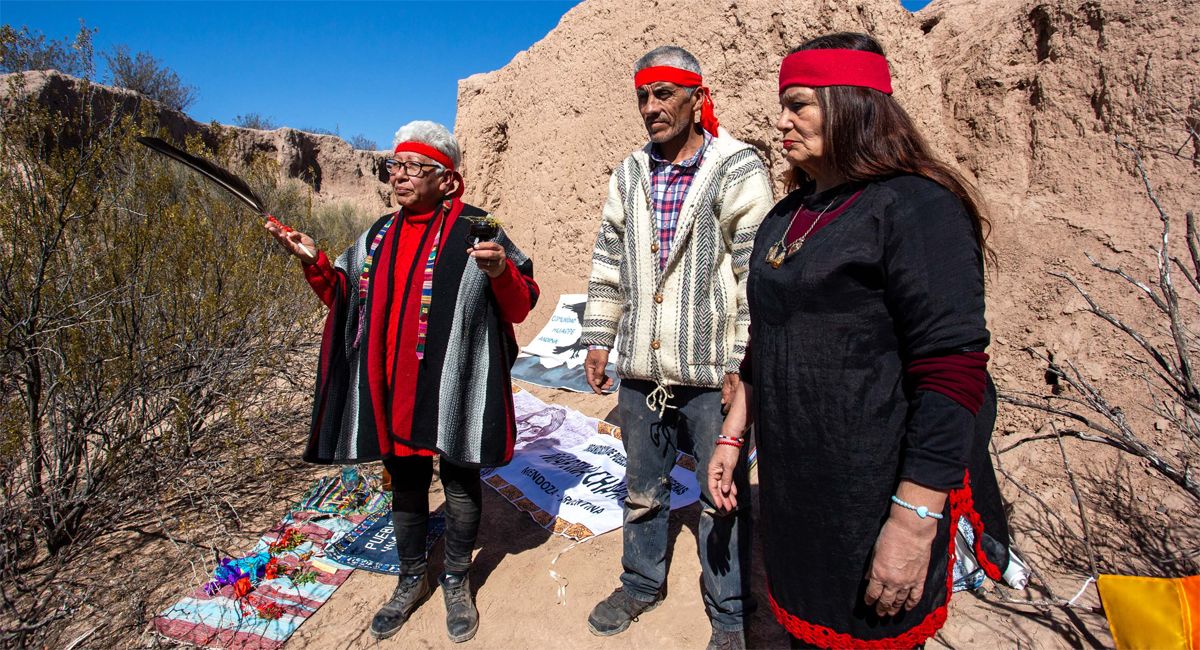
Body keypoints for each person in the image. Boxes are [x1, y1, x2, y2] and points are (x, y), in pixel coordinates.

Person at [708, 32, 1014, 648]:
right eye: (782, 105)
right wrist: (731, 437)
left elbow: (952, 370)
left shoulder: (915, 207)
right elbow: (763, 345)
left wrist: (914, 521)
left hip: (876, 496)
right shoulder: (785, 216)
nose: (783, 121)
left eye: (800, 104)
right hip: (800, 490)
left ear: (851, 103)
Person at [264, 120, 538, 644]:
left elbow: (521, 305)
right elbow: (346, 297)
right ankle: (412, 577)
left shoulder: (480, 227)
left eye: (414, 167)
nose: (400, 177)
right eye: (396, 166)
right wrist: (315, 260)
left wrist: (501, 270)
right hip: (394, 386)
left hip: (459, 384)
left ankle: (457, 580)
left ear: (448, 180)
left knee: (459, 479)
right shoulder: (378, 233)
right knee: (407, 481)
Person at [581, 45, 774, 650]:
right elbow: (609, 258)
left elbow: (754, 274)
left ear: (697, 96)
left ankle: (730, 613)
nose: (651, 107)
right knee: (642, 488)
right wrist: (598, 336)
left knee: (722, 499)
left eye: (664, 93)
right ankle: (640, 582)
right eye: (643, 95)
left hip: (712, 374)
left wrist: (743, 363)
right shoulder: (631, 172)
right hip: (643, 369)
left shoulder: (735, 168)